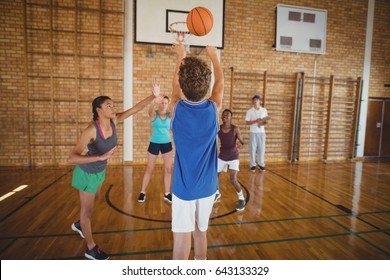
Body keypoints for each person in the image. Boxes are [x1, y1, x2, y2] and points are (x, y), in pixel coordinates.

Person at [68, 80, 160, 260]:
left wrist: (154, 96)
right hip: (86, 173)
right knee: (87, 212)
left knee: (94, 202)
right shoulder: (90, 130)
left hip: (99, 172)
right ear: (99, 110)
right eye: (108, 105)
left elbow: (135, 108)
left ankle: (80, 225)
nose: (113, 107)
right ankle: (91, 248)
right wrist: (100, 157)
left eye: (113, 104)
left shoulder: (114, 121)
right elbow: (72, 157)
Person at [170, 44, 224, 260]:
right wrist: (213, 56)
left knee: (181, 242)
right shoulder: (213, 110)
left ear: (183, 85)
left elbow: (174, 87)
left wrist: (180, 56)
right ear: (207, 85)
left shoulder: (176, 108)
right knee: (201, 233)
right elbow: (219, 85)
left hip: (184, 188)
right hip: (208, 187)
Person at [138, 95, 173, 203]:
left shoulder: (170, 115)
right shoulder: (154, 114)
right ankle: (142, 192)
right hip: (154, 143)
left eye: (165, 103)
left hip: (167, 143)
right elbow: (150, 111)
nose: (163, 105)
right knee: (149, 168)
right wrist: (155, 102)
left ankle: (167, 193)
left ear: (168, 104)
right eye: (162, 103)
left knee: (168, 169)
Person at [215, 109, 246, 211]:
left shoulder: (235, 129)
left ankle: (241, 198)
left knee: (233, 179)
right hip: (223, 155)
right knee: (214, 177)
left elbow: (242, 142)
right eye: (223, 115)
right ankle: (216, 193)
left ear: (230, 117)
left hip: (233, 156)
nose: (224, 116)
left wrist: (240, 145)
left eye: (227, 115)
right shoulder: (218, 128)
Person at [245, 95, 269, 172]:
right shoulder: (249, 111)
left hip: (262, 132)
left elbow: (267, 121)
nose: (255, 101)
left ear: (260, 101)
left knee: (261, 149)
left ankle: (261, 164)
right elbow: (247, 122)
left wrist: (264, 122)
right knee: (252, 149)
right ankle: (252, 165)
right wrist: (255, 121)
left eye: (257, 100)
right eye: (254, 100)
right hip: (253, 132)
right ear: (252, 101)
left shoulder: (264, 110)